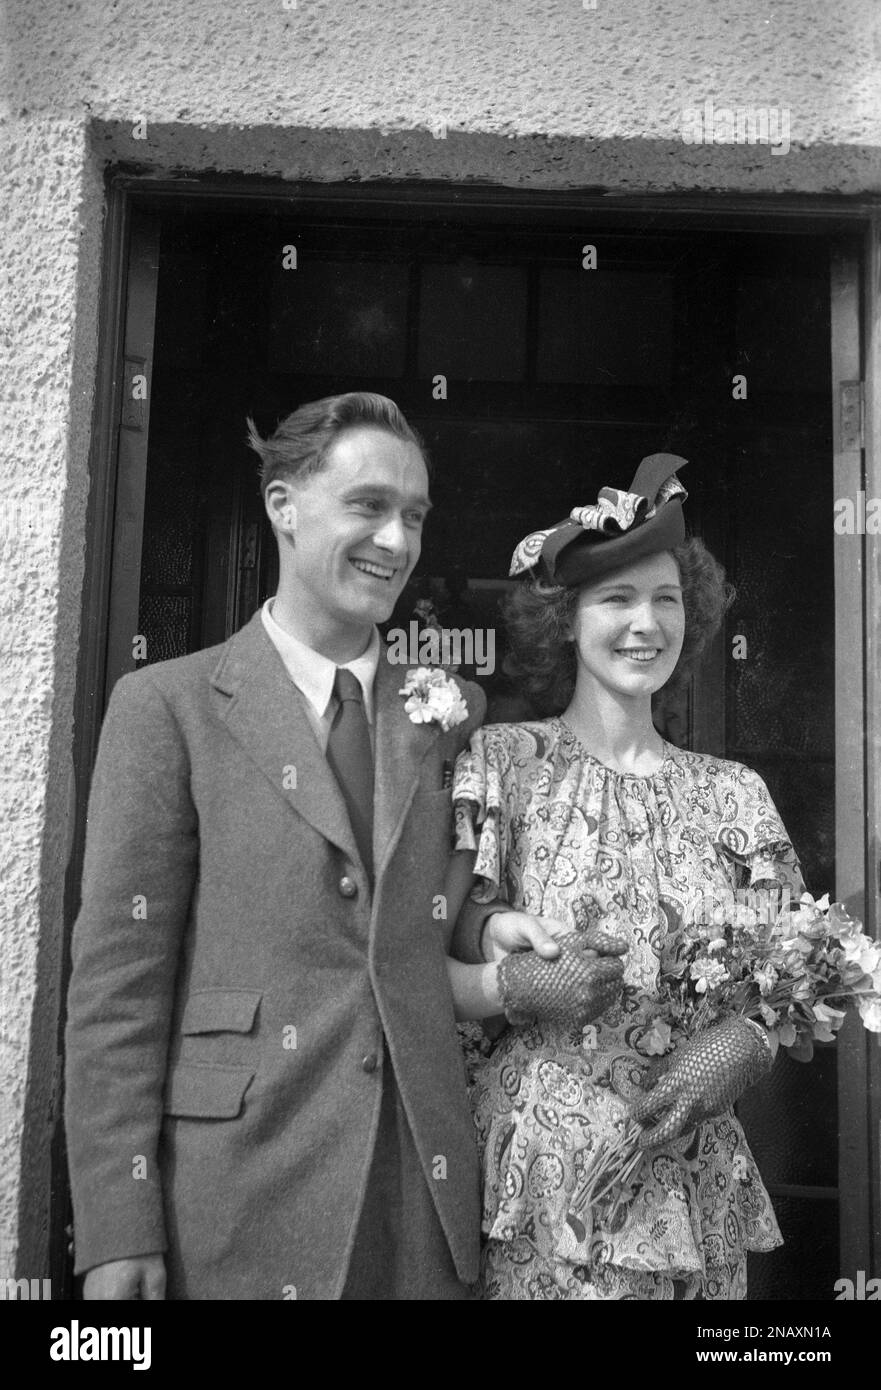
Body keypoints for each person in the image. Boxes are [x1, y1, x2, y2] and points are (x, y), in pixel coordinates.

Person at [66, 392, 504, 1300]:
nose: (397, 540)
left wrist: (494, 930)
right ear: (282, 507)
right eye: (369, 506)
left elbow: (454, 916)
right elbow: (118, 990)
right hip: (235, 1196)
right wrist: (116, 1225)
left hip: (417, 1199)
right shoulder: (166, 710)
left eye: (414, 516)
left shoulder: (452, 714)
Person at [441, 454, 805, 1300]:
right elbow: (424, 961)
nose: (645, 624)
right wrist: (517, 980)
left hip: (690, 1173)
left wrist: (743, 1044)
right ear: (566, 620)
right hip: (544, 1180)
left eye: (666, 600)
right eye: (616, 599)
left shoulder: (733, 794)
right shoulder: (503, 764)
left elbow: (796, 980)